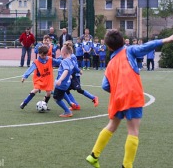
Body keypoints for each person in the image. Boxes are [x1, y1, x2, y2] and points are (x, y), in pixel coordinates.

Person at [85, 30, 173, 168]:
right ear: (123, 40)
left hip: (117, 98)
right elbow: (146, 46)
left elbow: (104, 85)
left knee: (112, 126)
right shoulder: (129, 51)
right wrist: (166, 40)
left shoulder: (110, 64)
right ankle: (127, 165)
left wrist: (118, 88)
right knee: (133, 131)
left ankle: (94, 155)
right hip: (132, 96)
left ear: (109, 47)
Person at [20, 45, 61, 110]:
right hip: (39, 79)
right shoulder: (36, 62)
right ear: (39, 54)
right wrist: (25, 76)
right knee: (36, 89)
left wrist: (64, 61)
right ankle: (24, 103)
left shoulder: (50, 59)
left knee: (49, 93)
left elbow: (58, 62)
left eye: (45, 55)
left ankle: (44, 105)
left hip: (48, 79)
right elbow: (30, 69)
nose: (44, 57)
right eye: (42, 55)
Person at [53, 41, 80, 117]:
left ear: (64, 53)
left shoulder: (65, 61)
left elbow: (66, 70)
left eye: (61, 53)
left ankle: (67, 111)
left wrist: (60, 80)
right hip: (67, 83)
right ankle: (71, 103)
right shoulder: (71, 60)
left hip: (62, 83)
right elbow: (74, 67)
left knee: (56, 98)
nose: (61, 55)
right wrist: (79, 71)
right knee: (62, 92)